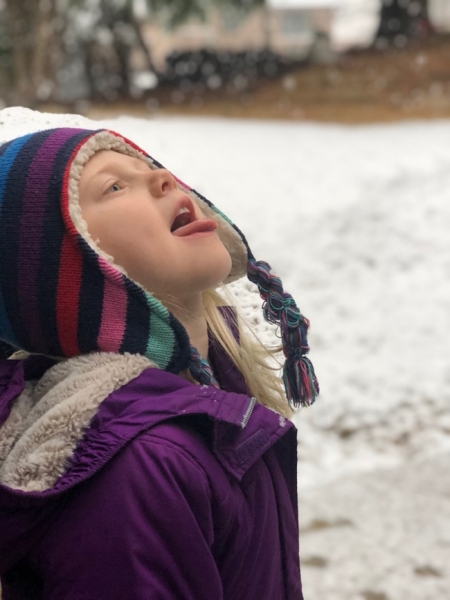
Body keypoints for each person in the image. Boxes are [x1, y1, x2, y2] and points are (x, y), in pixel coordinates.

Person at [0, 127, 319, 600]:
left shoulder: (211, 400)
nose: (165, 179)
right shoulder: (140, 466)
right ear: (60, 271)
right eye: (113, 187)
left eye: (150, 167)